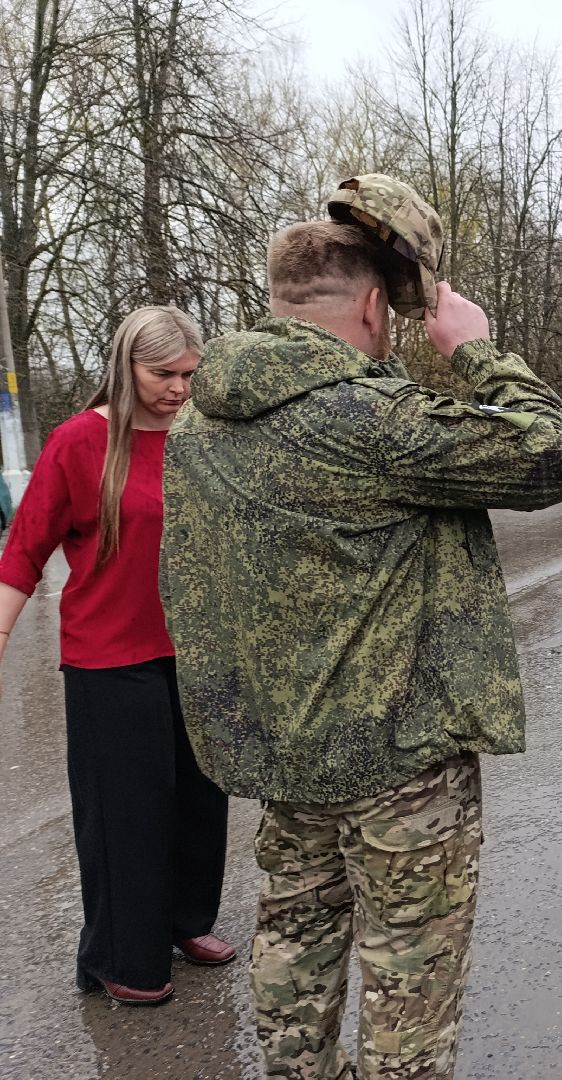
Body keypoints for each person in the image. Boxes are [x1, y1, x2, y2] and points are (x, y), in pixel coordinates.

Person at [160, 174, 562, 1080]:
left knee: (293, 963)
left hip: (286, 756)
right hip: (399, 769)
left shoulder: (199, 422)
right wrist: (477, 351)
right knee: (409, 993)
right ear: (368, 304)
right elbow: (554, 455)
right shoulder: (367, 420)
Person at [0, 306, 232, 1007]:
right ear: (125, 366)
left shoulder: (204, 438)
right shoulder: (77, 442)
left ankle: (187, 923)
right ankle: (121, 955)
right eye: (164, 374)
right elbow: (25, 550)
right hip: (109, 659)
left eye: (190, 375)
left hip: (196, 650)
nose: (179, 389)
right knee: (127, 813)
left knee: (200, 803)